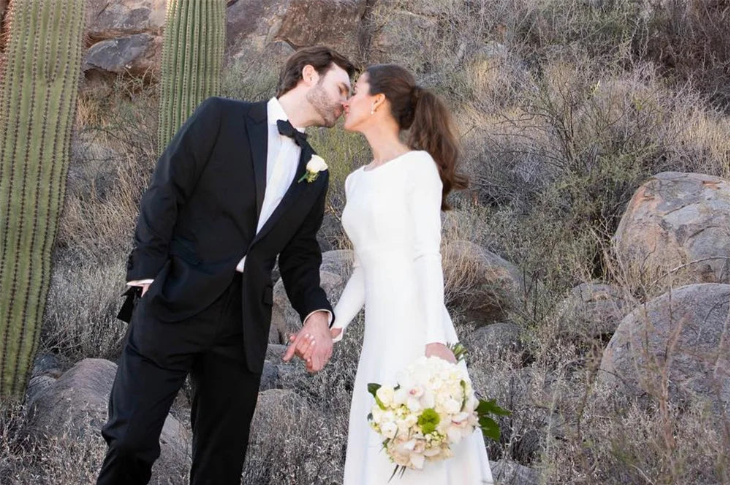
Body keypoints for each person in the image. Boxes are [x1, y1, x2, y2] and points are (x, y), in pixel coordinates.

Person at [96, 46, 355, 485]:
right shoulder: (221, 117)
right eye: (341, 87)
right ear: (309, 75)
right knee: (130, 440)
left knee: (221, 463)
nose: (346, 101)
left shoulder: (316, 172)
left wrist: (316, 314)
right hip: (173, 298)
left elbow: (300, 256)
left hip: (242, 323)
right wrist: (145, 278)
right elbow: (165, 191)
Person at [329, 64, 495, 484]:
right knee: (383, 438)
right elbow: (366, 266)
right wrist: (334, 325)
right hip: (379, 333)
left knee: (423, 440)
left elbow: (426, 255)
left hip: (418, 325)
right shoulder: (354, 181)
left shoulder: (417, 166)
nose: (346, 101)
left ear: (378, 101)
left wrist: (434, 339)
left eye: (355, 90)